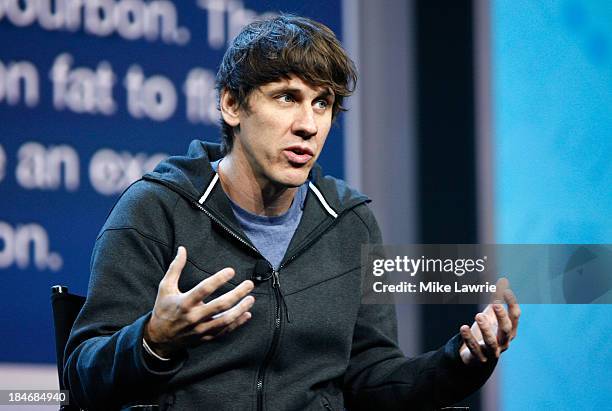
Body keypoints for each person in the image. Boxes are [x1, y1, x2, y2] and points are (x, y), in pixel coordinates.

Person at [64, 14, 520, 411]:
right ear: (232, 103)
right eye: (287, 97)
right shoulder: (157, 209)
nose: (308, 124)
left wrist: (458, 362)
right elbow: (81, 378)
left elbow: (372, 380)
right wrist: (153, 340)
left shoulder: (350, 222)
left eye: (322, 103)